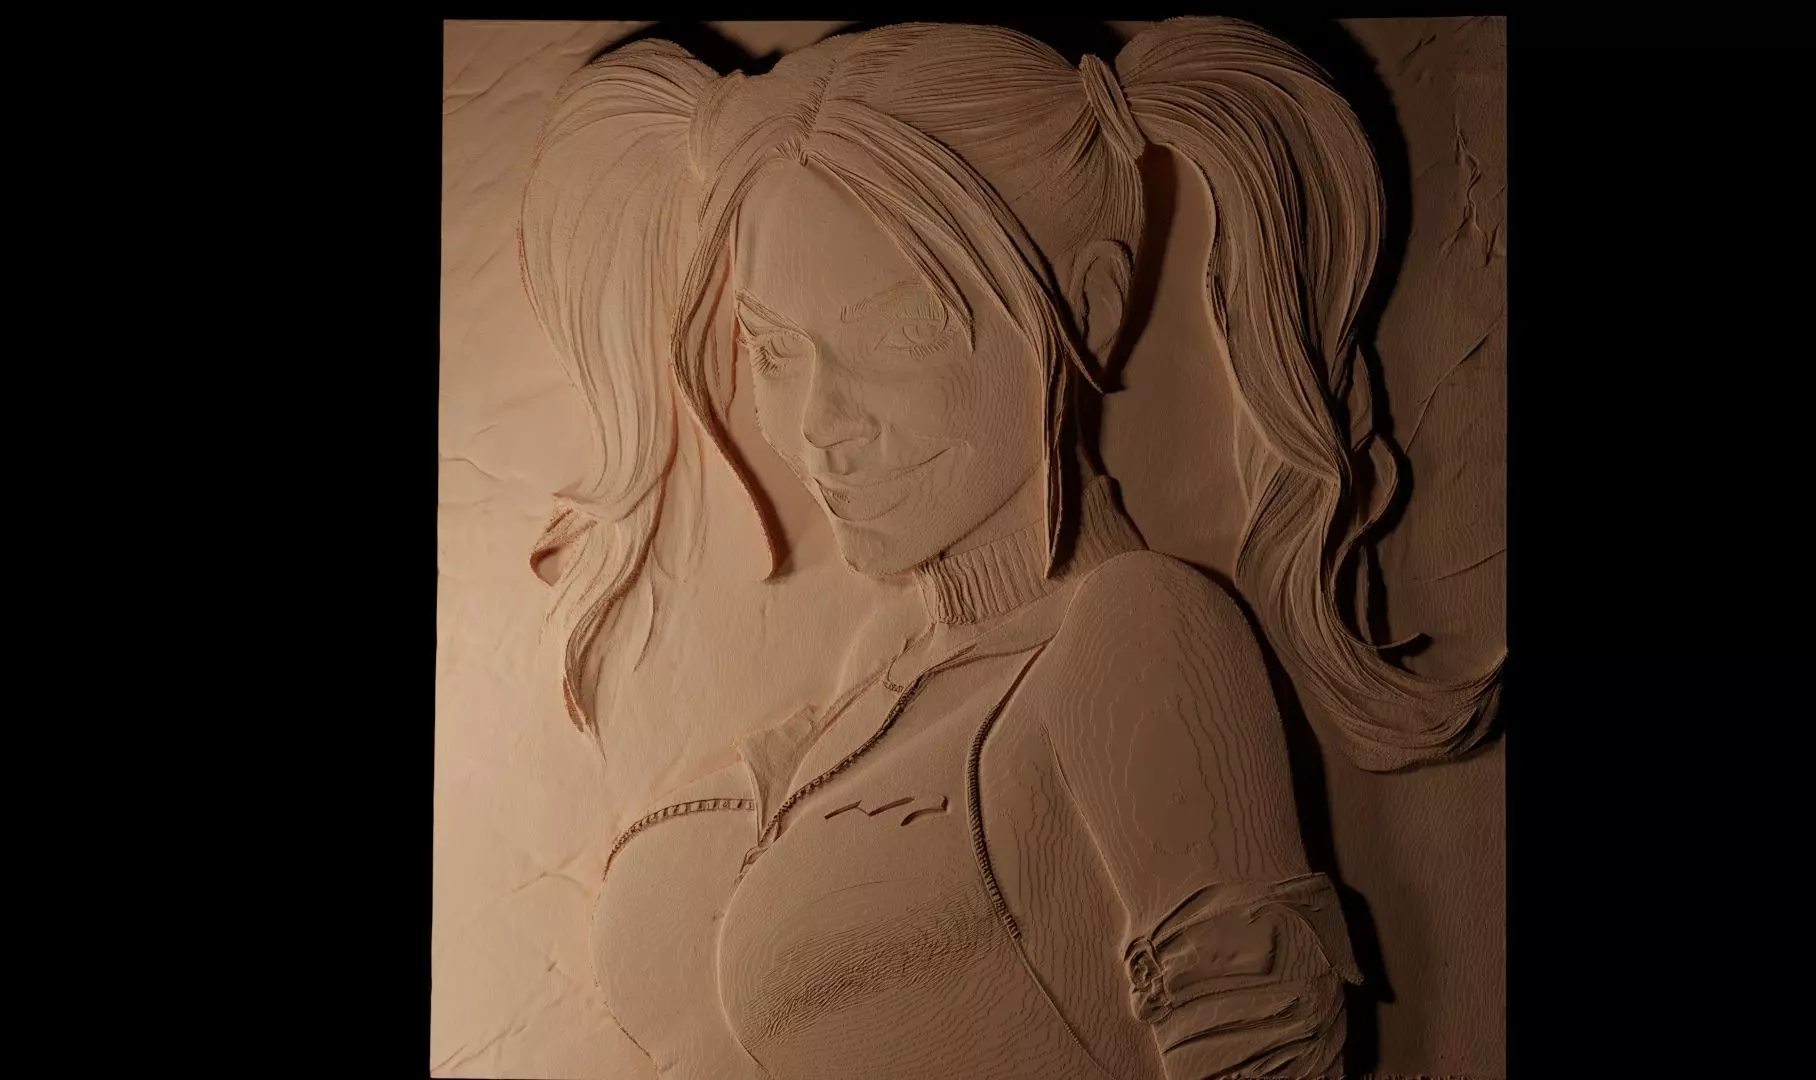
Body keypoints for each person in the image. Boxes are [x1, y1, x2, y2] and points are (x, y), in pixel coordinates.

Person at [518, 18, 1502, 1079]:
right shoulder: (880, 682)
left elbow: (1262, 1051)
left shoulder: (1136, 628)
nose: (821, 425)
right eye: (775, 349)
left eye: (902, 331)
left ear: (1091, 307)